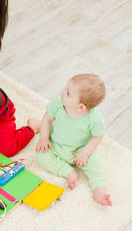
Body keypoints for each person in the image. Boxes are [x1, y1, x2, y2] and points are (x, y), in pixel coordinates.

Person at [32, 74, 112, 206]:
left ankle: (99, 191)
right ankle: (68, 172)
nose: (63, 92)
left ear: (81, 107)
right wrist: (44, 137)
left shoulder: (94, 119)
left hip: (79, 150)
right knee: (41, 155)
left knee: (95, 165)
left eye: (68, 93)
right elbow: (47, 118)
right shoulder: (59, 103)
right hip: (55, 143)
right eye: (65, 88)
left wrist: (85, 154)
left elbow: (97, 137)